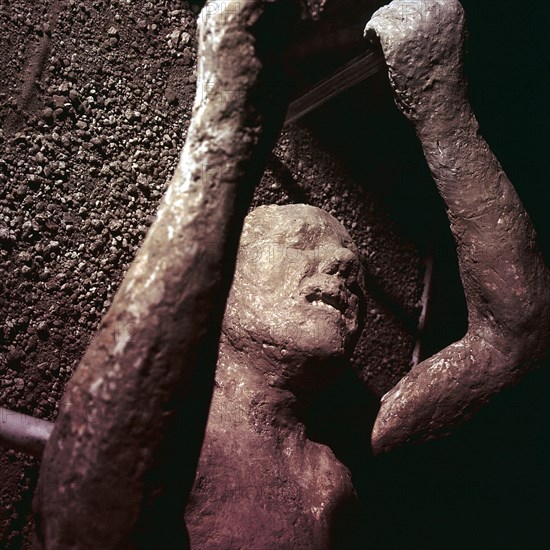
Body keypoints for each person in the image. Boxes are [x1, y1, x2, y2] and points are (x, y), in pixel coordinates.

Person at [184, 204, 366, 549]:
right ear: (223, 275)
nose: (344, 261)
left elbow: (499, 344)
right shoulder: (174, 439)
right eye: (301, 241)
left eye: (358, 274)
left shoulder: (331, 480)